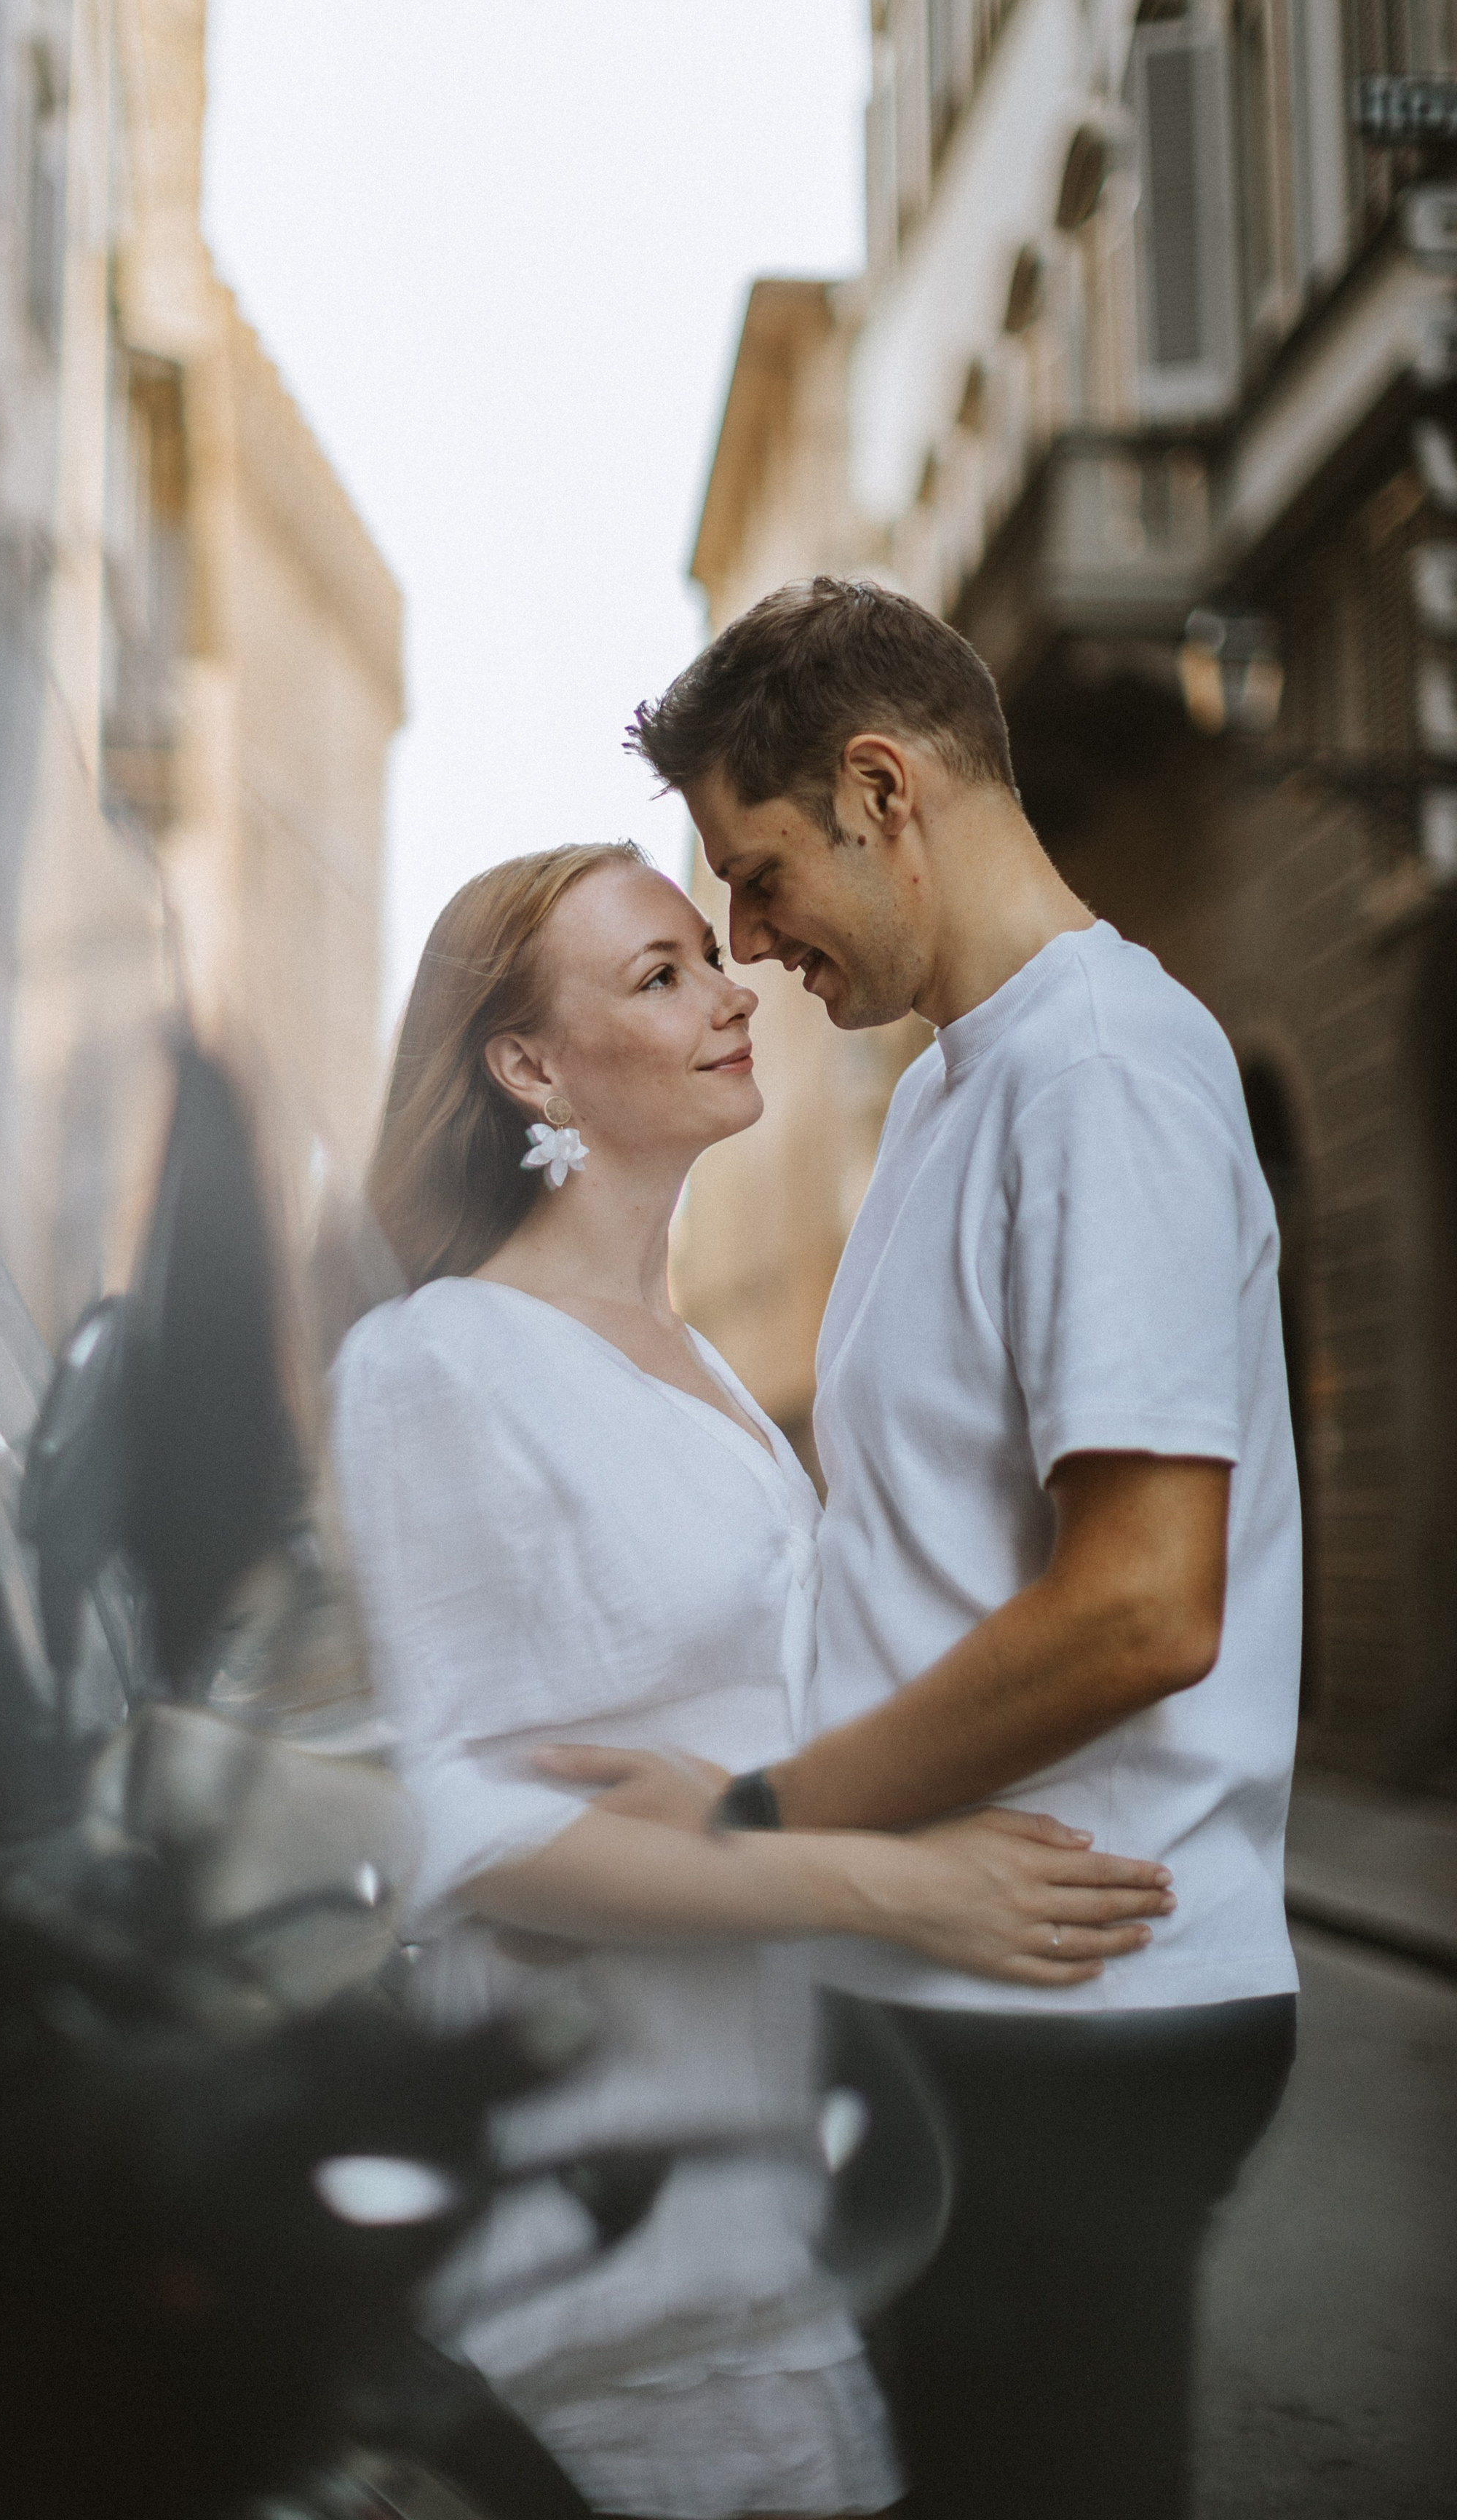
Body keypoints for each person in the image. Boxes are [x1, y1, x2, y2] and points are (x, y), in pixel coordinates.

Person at [543, 579, 1301, 2520]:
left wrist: (764, 1817)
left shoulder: (1100, 1071)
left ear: (883, 788)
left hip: (1079, 2009)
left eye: (757, 866)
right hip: (961, 1994)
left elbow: (1142, 1604)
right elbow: (919, 1561)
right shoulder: (960, 1087)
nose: (740, 939)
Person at [328, 840, 1175, 2520]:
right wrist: (887, 1890)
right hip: (605, 2236)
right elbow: (472, 1834)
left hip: (772, 2200)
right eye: (656, 976)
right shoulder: (436, 1360)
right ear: (527, 1065)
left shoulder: (701, 1364)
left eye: (707, 960)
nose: (730, 994)